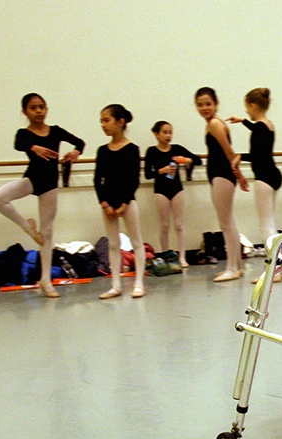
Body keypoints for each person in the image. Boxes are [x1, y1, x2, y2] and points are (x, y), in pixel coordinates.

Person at [0, 93, 85, 298]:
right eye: (33, 108)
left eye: (42, 107)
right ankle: (28, 229)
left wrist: (76, 152)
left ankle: (45, 280)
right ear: (25, 112)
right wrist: (34, 147)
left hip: (50, 185)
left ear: (46, 109)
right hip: (31, 180)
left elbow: (80, 142)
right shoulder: (24, 133)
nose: (39, 111)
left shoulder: (55, 131)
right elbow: (18, 143)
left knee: (47, 232)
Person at [195, 87, 249, 282]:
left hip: (222, 175)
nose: (204, 108)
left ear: (216, 104)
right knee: (228, 222)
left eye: (208, 104)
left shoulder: (215, 124)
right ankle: (238, 267)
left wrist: (240, 176)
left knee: (225, 223)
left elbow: (229, 152)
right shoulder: (212, 123)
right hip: (219, 175)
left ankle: (232, 268)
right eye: (200, 105)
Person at [94, 104, 146, 299]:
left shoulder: (132, 149)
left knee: (136, 242)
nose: (103, 125)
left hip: (127, 202)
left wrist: (124, 203)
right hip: (108, 203)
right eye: (101, 121)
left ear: (120, 122)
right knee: (113, 244)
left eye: (106, 120)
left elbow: (134, 179)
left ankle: (139, 283)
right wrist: (104, 204)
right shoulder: (102, 151)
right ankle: (115, 285)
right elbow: (97, 180)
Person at [227, 87, 282, 252]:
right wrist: (243, 120)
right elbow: (258, 131)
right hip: (273, 175)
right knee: (270, 222)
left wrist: (240, 157)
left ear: (253, 105)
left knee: (265, 224)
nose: (246, 110)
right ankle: (277, 261)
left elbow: (258, 156)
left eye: (246, 107)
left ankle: (276, 262)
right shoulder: (268, 125)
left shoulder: (259, 128)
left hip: (264, 177)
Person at [144, 121, 202, 268]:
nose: (168, 135)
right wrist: (161, 171)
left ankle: (182, 257)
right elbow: (147, 174)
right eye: (164, 132)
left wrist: (187, 160)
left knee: (179, 224)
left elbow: (198, 160)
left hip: (177, 189)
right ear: (156, 134)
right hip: (161, 190)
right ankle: (165, 255)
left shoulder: (176, 149)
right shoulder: (151, 151)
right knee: (164, 225)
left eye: (170, 132)